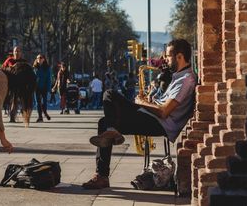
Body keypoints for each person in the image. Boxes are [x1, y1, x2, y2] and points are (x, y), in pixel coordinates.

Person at [82, 39, 197, 189]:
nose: (165, 60)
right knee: (104, 123)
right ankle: (102, 172)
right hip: (153, 118)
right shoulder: (179, 76)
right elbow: (163, 105)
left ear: (180, 57)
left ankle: (104, 164)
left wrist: (141, 102)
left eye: (168, 56)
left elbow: (163, 112)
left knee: (109, 94)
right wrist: (151, 99)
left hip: (160, 124)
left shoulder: (186, 79)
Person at [1, 46, 27, 122]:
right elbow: (2, 69)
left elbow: (28, 73)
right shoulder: (9, 60)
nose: (17, 53)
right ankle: (12, 118)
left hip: (22, 84)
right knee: (13, 101)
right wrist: (11, 68)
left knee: (24, 101)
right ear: (13, 52)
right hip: (11, 84)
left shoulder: (24, 61)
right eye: (15, 51)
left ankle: (25, 116)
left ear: (21, 53)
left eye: (18, 51)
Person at [33, 54, 52, 122]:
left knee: (44, 102)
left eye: (41, 58)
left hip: (44, 87)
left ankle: (45, 112)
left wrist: (49, 89)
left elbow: (49, 79)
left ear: (44, 59)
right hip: (36, 88)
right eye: (38, 58)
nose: (39, 59)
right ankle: (40, 117)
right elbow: (32, 78)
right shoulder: (34, 67)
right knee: (38, 103)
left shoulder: (47, 68)